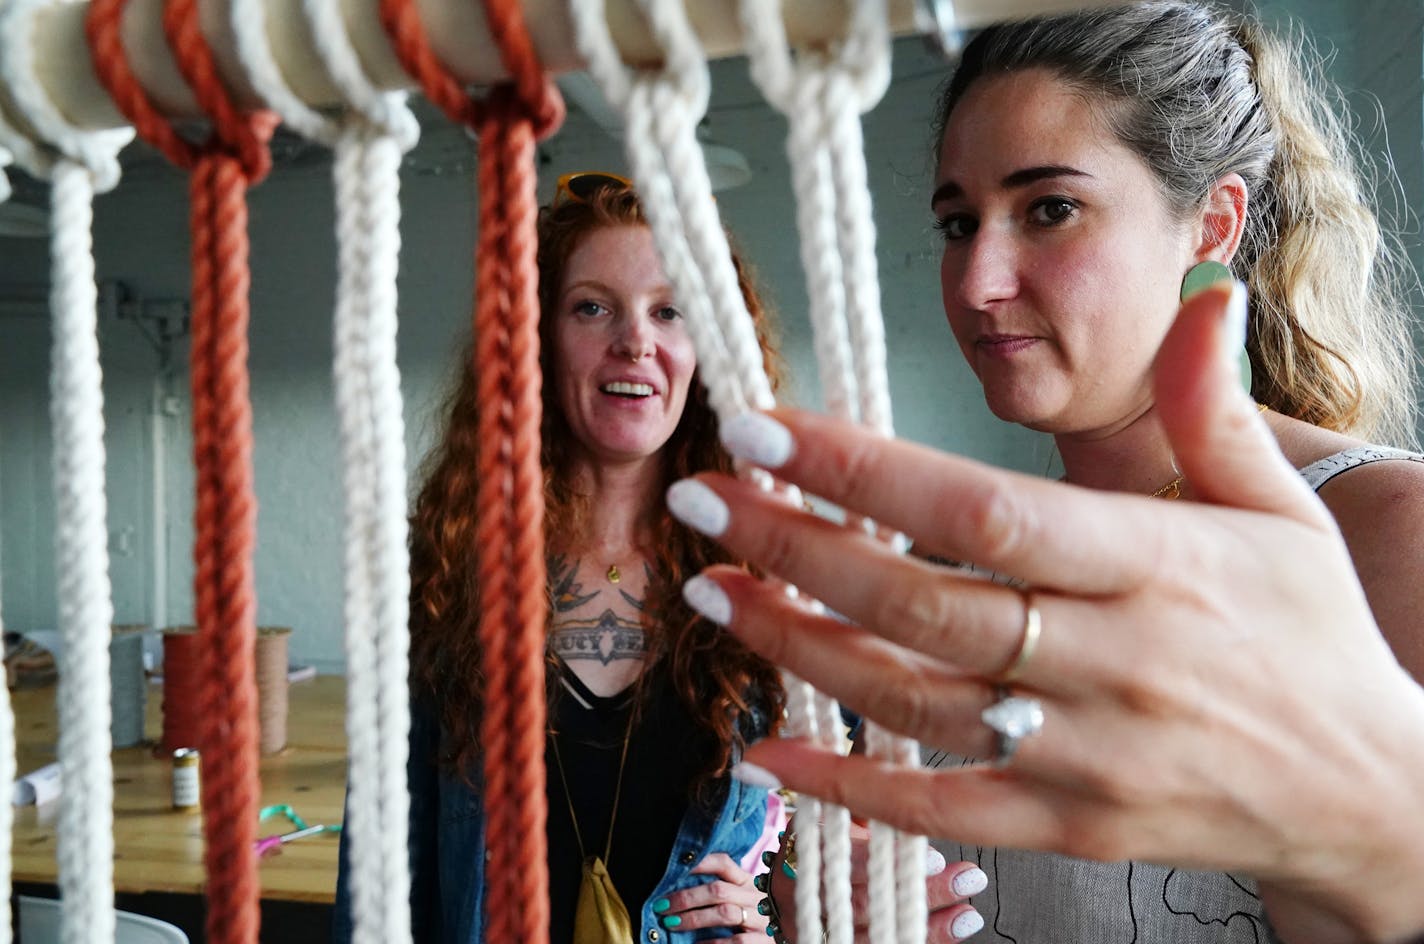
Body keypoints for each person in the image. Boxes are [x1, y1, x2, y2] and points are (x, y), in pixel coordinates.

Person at [662, 3, 1424, 942]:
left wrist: (1387, 853)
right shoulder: (963, 601)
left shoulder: (1390, 532)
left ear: (1211, 225)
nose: (979, 279)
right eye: (956, 222)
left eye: (1050, 209)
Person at [331, 176, 787, 943]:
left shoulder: (773, 572)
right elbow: (377, 870)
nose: (635, 340)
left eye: (668, 310)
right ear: (535, 339)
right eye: (592, 307)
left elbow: (822, 832)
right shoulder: (442, 572)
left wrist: (775, 909)